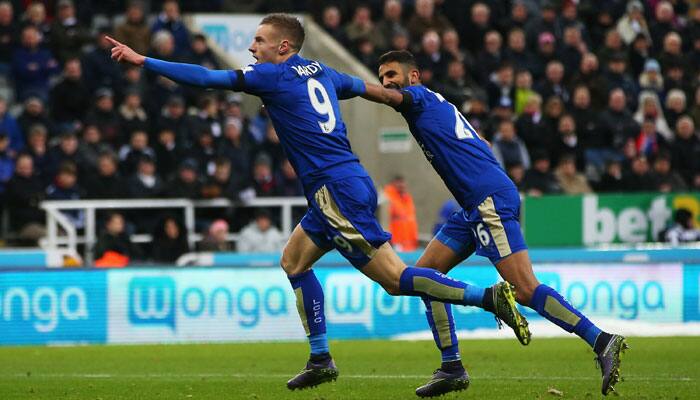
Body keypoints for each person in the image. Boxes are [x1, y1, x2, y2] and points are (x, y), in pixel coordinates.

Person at [106, 14, 527, 393]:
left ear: (283, 47)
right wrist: (422, 103)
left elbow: (205, 77)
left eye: (258, 41)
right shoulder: (322, 72)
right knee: (293, 261)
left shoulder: (271, 77)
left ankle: (487, 298)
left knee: (396, 280)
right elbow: (366, 89)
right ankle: (321, 358)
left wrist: (145, 61)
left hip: (334, 191)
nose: (252, 49)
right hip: (340, 185)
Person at [353, 50, 627, 397]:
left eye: (392, 74)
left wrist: (342, 83)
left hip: (487, 201)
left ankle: (602, 340)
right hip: (474, 204)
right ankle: (451, 366)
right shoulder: (439, 105)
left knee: (525, 288)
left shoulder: (417, 98)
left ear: (414, 77)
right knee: (424, 278)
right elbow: (479, 142)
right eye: (382, 76)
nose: (387, 82)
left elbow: (388, 97)